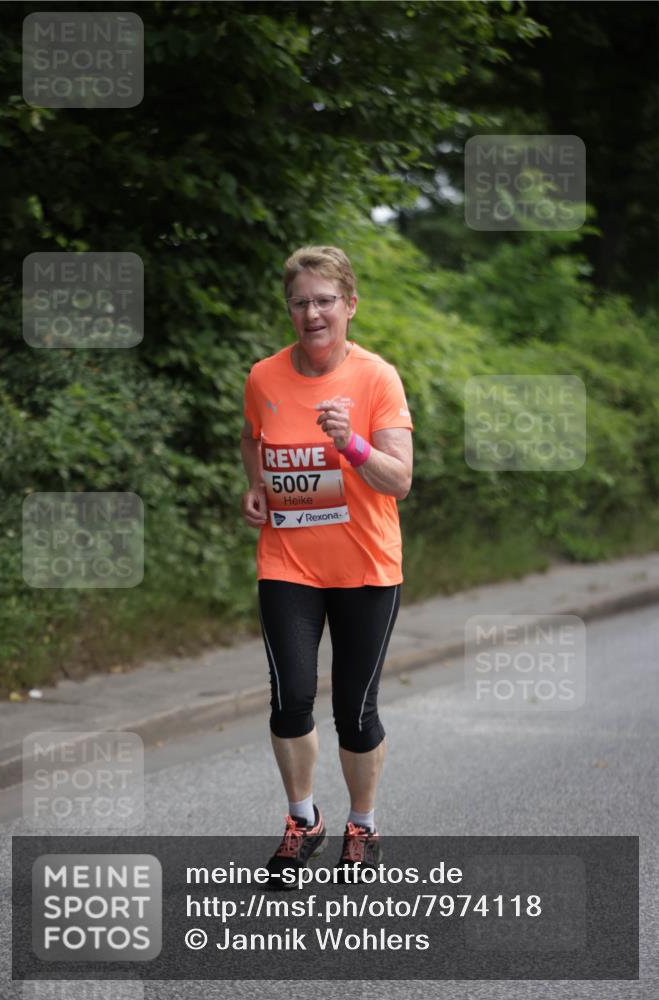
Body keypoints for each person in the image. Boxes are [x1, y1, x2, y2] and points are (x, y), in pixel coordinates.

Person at [240, 245, 413, 884]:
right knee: (289, 698)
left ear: (350, 305)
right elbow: (251, 437)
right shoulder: (264, 377)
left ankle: (362, 825)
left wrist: (352, 443)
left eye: (324, 301)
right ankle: (303, 820)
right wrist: (256, 484)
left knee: (354, 711)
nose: (312, 313)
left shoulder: (377, 378)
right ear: (289, 308)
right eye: (300, 302)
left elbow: (399, 480)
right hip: (288, 561)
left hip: (366, 568)